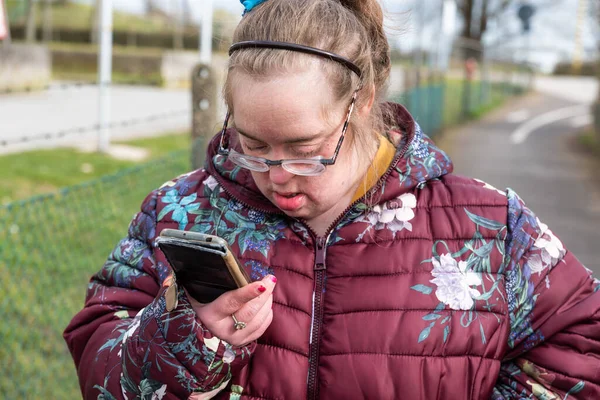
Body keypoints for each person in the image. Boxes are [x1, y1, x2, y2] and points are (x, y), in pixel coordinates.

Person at [64, 0, 600, 398]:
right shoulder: (178, 210)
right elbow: (98, 365)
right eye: (252, 145)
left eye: (304, 149)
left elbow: (584, 346)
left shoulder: (492, 226)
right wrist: (185, 335)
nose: (278, 176)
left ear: (361, 102)